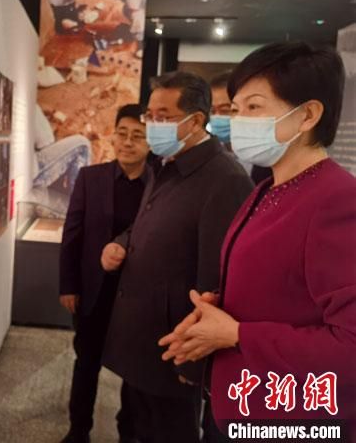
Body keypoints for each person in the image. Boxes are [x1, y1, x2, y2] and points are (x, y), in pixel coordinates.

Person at [158, 42, 356, 441]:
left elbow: (349, 345)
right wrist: (217, 310)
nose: (238, 120)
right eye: (235, 108)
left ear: (308, 115)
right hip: (242, 400)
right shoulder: (267, 188)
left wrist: (236, 334)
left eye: (253, 107)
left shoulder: (338, 199)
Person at [100, 72, 253, 443]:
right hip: (141, 335)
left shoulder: (225, 178)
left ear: (196, 121)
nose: (153, 125)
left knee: (168, 432)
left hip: (175, 347)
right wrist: (120, 242)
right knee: (131, 425)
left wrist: (194, 360)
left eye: (163, 117)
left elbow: (218, 279)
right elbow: (147, 221)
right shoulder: (167, 162)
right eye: (150, 116)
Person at [59, 104, 150, 443]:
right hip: (94, 291)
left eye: (138, 136)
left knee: (134, 370)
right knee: (86, 362)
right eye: (122, 133)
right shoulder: (91, 178)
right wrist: (68, 285)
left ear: (151, 142)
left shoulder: (160, 183)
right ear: (113, 137)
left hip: (138, 295)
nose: (128, 142)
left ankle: (129, 431)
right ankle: (78, 429)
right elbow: (73, 234)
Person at [209, 71, 272, 183]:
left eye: (225, 110)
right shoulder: (209, 154)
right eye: (212, 111)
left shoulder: (267, 153)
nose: (217, 117)